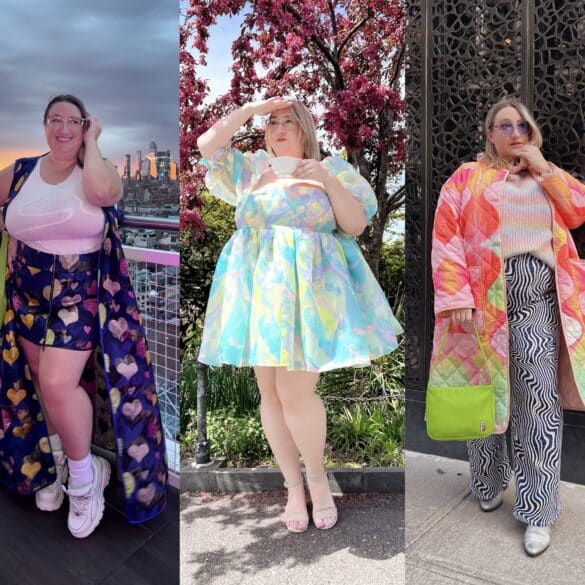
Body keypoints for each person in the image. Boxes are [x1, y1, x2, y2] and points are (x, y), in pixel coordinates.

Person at [197, 97, 403, 533]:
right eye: (272, 123)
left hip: (310, 296)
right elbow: (207, 145)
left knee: (295, 394)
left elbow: (354, 226)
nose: (278, 128)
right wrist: (251, 109)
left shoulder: (333, 170)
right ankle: (293, 487)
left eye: (289, 121)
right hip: (259, 294)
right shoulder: (252, 170)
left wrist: (325, 177)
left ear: (307, 130)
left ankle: (317, 479)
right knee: (269, 393)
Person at [0, 94, 168, 538]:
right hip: (27, 293)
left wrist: (93, 142)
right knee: (42, 382)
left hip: (80, 295)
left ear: (85, 126)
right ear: (44, 125)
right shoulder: (20, 171)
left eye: (73, 121)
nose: (63, 128)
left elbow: (104, 193)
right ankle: (59, 459)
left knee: (57, 382)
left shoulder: (95, 168)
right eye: (55, 119)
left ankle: (84, 480)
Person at [430, 97, 585, 556]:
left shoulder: (547, 175)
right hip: (481, 305)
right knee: (485, 396)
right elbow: (446, 234)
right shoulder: (466, 177)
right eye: (504, 125)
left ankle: (538, 510)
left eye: (522, 125)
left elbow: (578, 211)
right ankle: (487, 480)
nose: (515, 132)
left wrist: (543, 166)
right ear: (489, 134)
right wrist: (456, 295)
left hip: (538, 302)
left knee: (539, 403)